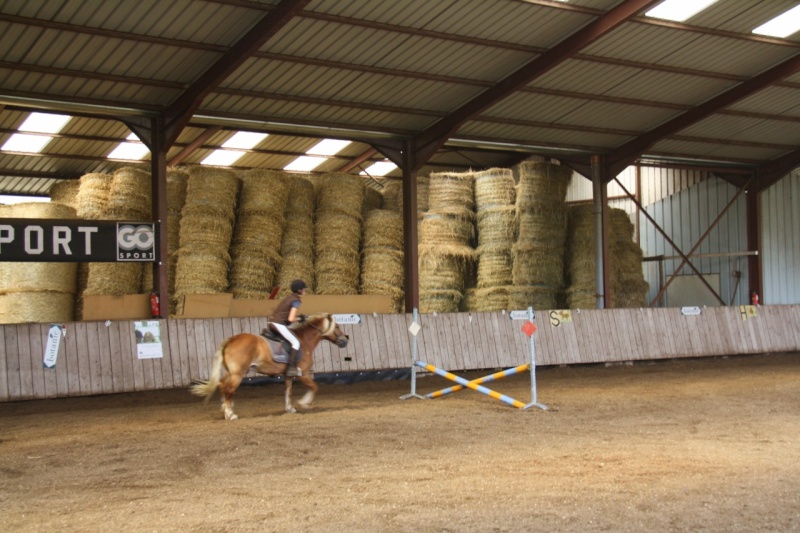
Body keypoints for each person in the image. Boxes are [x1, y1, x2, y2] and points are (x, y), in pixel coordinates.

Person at [270, 279, 307, 377]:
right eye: (304, 289)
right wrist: (300, 318)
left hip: (272, 322)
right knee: (296, 342)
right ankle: (291, 368)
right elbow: (291, 319)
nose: (305, 291)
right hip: (279, 324)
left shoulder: (288, 298)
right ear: (299, 290)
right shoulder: (296, 301)